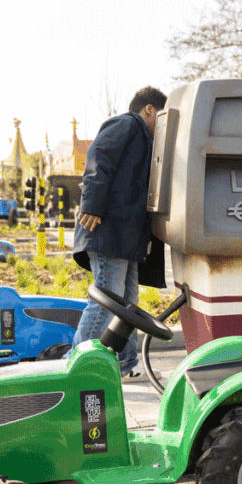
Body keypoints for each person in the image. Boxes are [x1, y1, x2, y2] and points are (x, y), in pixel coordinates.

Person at [69, 86, 167, 381]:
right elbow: (99, 157)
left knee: (127, 304)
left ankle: (124, 365)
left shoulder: (144, 138)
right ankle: (74, 367)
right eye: (160, 116)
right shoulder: (126, 124)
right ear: (149, 109)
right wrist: (93, 206)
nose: (161, 125)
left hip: (124, 236)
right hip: (107, 229)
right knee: (106, 300)